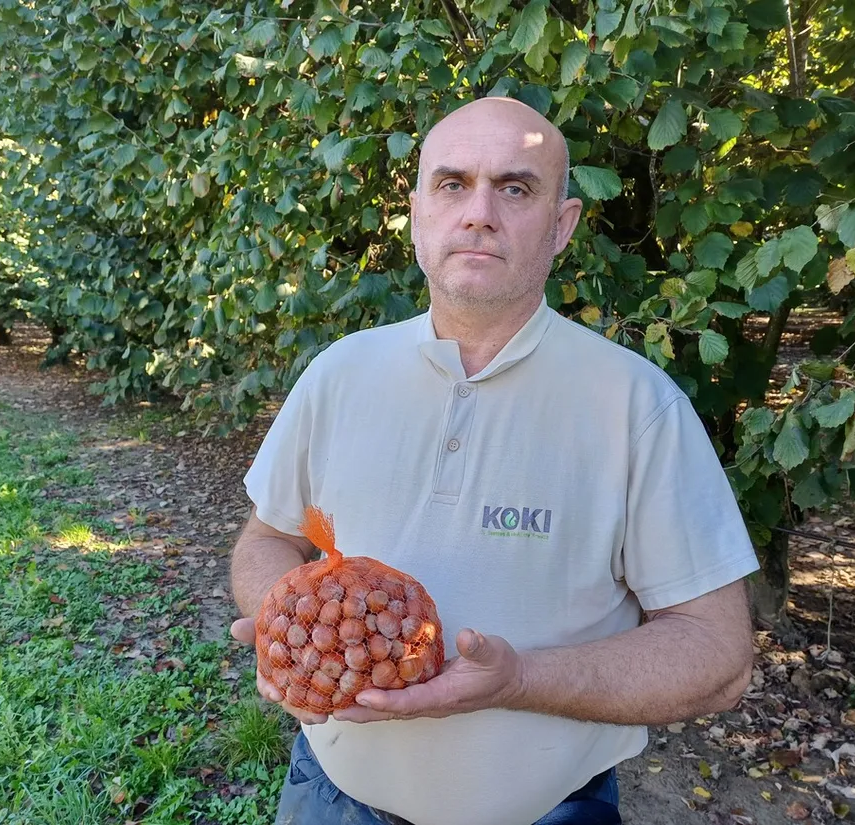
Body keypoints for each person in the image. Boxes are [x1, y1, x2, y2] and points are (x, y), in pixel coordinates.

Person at [228, 96, 760, 825]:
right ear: (416, 212)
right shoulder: (338, 374)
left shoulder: (635, 406)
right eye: (452, 184)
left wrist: (516, 679)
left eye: (515, 188)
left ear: (562, 224)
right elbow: (268, 535)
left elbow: (718, 651)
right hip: (327, 799)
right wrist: (286, 616)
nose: (479, 212)